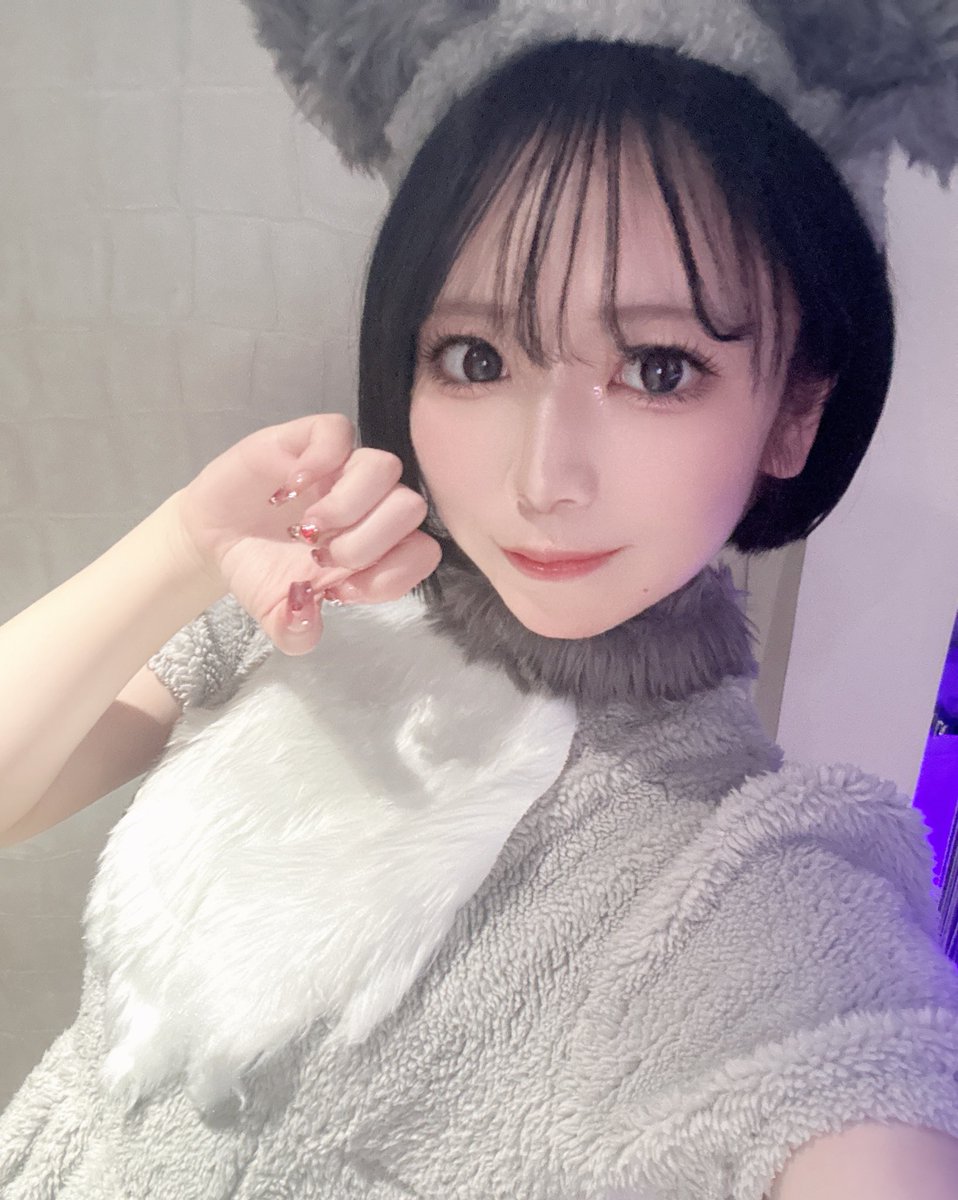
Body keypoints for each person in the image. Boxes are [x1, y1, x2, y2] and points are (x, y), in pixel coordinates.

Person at [2, 5, 958, 1198]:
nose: (542, 479)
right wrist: (185, 546)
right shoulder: (303, 608)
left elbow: (857, 1072)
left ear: (795, 414)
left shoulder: (764, 892)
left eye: (657, 369)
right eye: (476, 358)